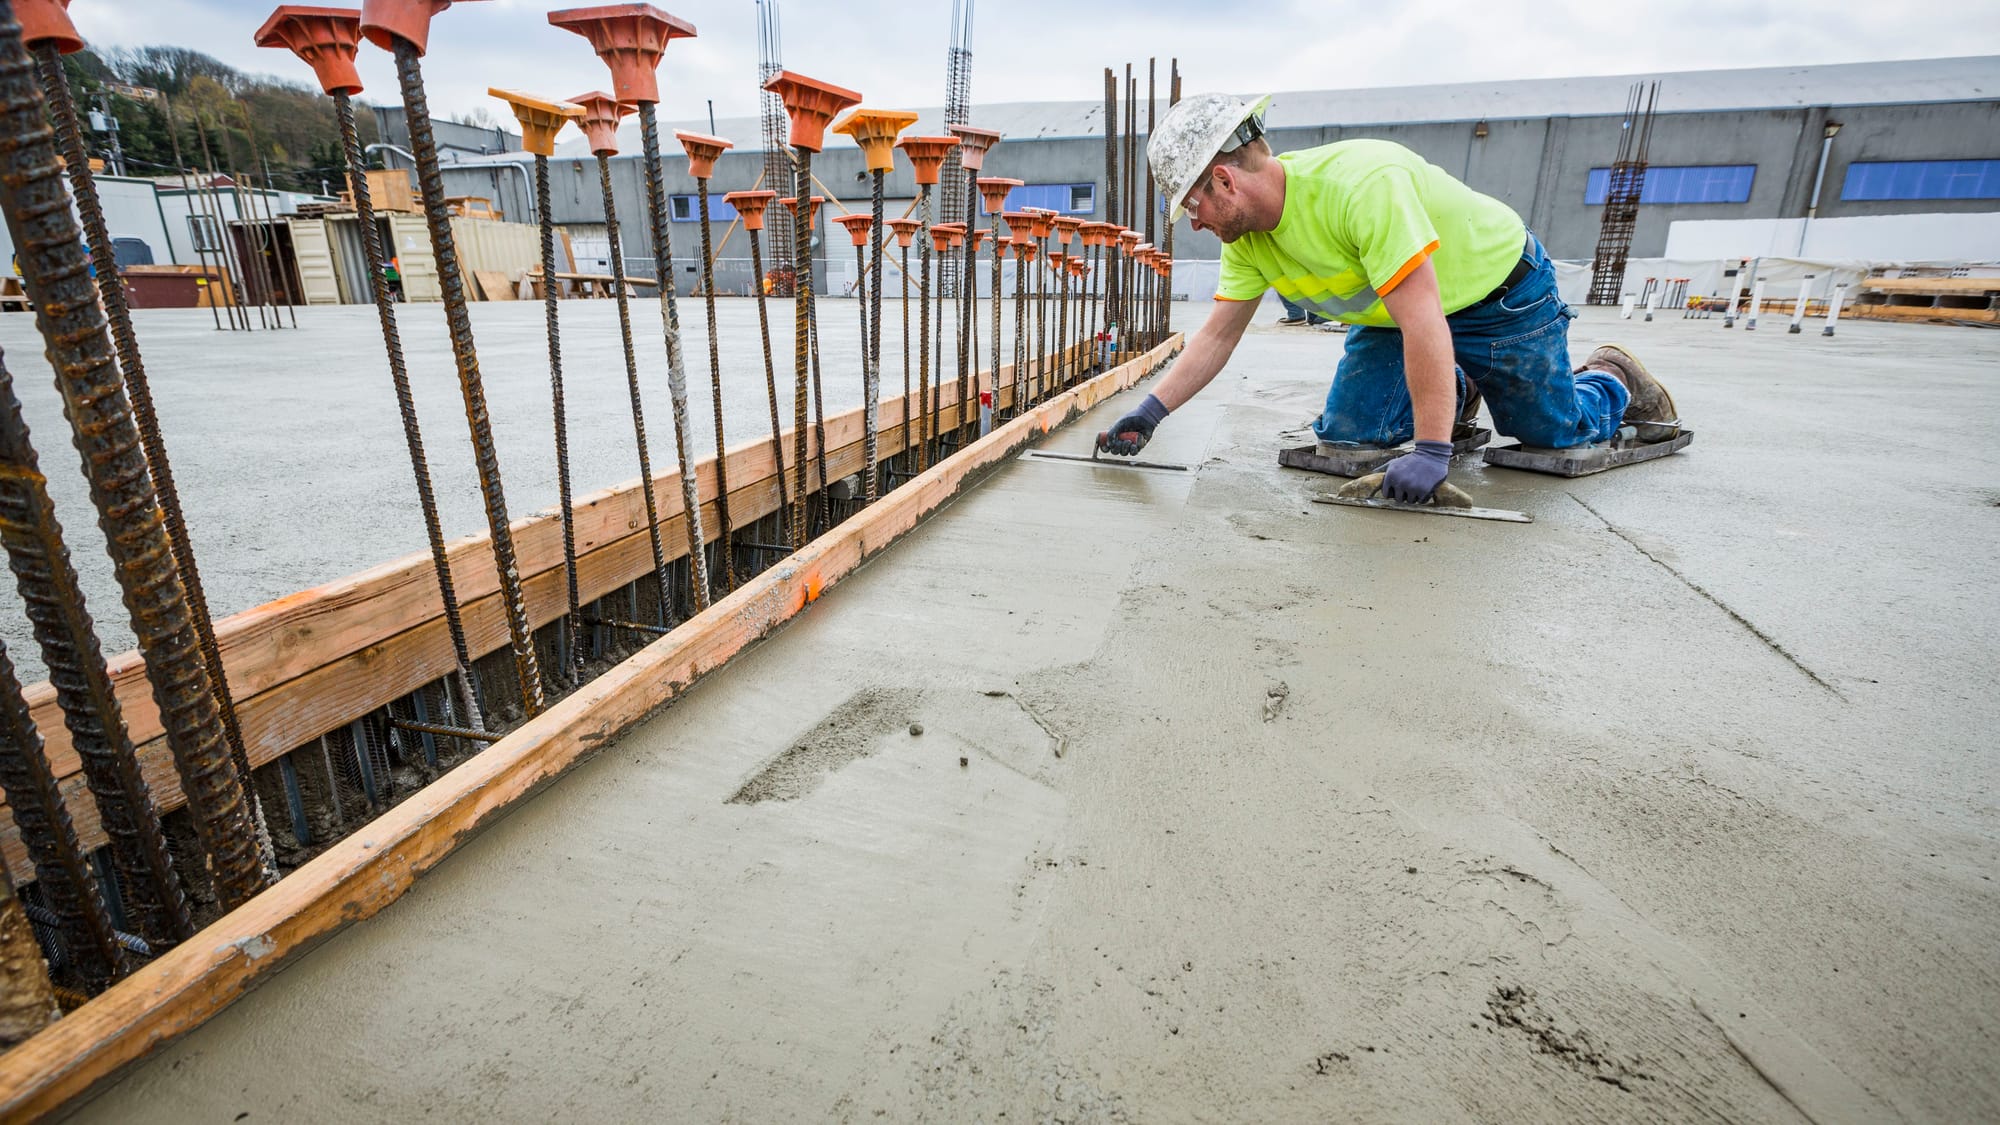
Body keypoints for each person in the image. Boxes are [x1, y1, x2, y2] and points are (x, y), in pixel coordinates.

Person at [1096, 94, 1678, 503]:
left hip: (1499, 294)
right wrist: (1148, 414)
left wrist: (1430, 450)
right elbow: (1217, 336)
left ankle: (1614, 379)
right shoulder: (1246, 237)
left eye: (1192, 206)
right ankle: (1455, 389)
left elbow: (1424, 316)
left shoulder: (1360, 187)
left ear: (1224, 180)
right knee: (1349, 433)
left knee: (1552, 435)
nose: (1194, 223)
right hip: (1393, 319)